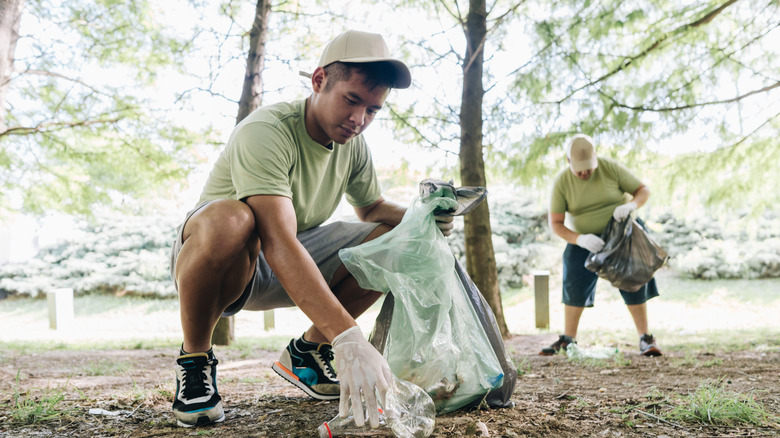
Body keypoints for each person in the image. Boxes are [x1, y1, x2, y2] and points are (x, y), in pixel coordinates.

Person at [168, 30, 454, 428]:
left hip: (291, 252)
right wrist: (350, 337)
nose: (359, 120)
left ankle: (308, 353)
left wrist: (424, 217)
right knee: (235, 218)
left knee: (398, 238)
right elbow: (277, 239)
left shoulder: (352, 144)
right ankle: (195, 358)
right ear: (319, 81)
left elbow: (371, 208)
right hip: (226, 257)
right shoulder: (267, 130)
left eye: (373, 110)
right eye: (351, 100)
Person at [540, 133, 662, 357]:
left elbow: (643, 189)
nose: (585, 173)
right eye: (580, 170)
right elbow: (556, 224)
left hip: (621, 234)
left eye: (589, 168)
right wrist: (580, 239)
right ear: (569, 162)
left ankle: (645, 337)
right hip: (584, 239)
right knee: (573, 277)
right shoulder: (562, 182)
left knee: (634, 279)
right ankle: (568, 339)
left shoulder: (609, 168)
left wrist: (631, 205)